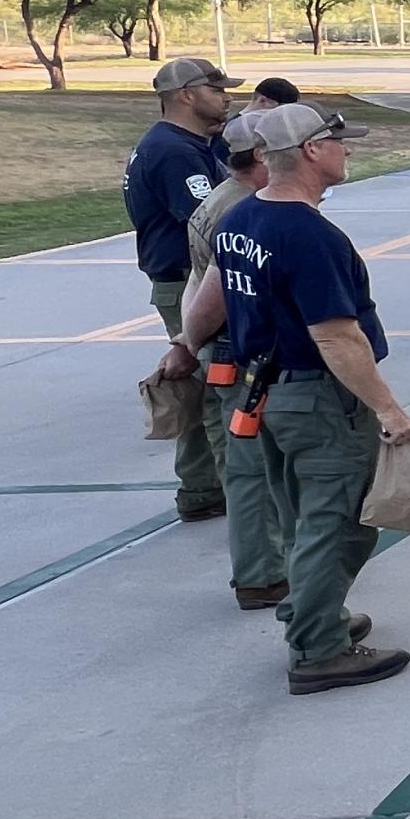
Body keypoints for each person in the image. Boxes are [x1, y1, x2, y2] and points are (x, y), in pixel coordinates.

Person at [190, 103, 410, 695]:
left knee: (298, 514)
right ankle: (319, 650)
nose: (349, 151)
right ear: (313, 151)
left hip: (261, 389)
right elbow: (336, 335)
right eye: (339, 143)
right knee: (341, 521)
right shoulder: (309, 235)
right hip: (317, 396)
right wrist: (388, 410)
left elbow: (213, 292)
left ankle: (312, 613)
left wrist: (182, 344)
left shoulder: (242, 219)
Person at [160, 109, 291, 607]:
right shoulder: (243, 211)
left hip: (226, 354)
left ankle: (266, 567)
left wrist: (184, 343)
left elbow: (199, 284)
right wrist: (188, 343)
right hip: (242, 358)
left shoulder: (224, 200)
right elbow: (213, 291)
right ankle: (263, 572)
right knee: (254, 471)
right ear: (262, 155)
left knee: (247, 467)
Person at [126, 56, 238, 521]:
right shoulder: (174, 151)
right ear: (186, 95)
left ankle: (200, 489)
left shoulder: (191, 143)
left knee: (201, 384)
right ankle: (230, 491)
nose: (226, 96)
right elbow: (207, 220)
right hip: (187, 282)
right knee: (214, 386)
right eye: (216, 89)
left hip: (184, 279)